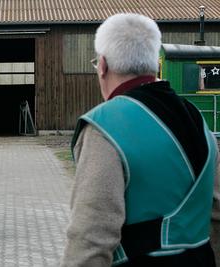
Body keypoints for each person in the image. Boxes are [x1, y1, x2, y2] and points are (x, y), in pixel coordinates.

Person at [61, 13, 220, 267]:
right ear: (156, 64)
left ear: (102, 66)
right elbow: (216, 211)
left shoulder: (105, 126)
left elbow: (91, 238)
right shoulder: (198, 120)